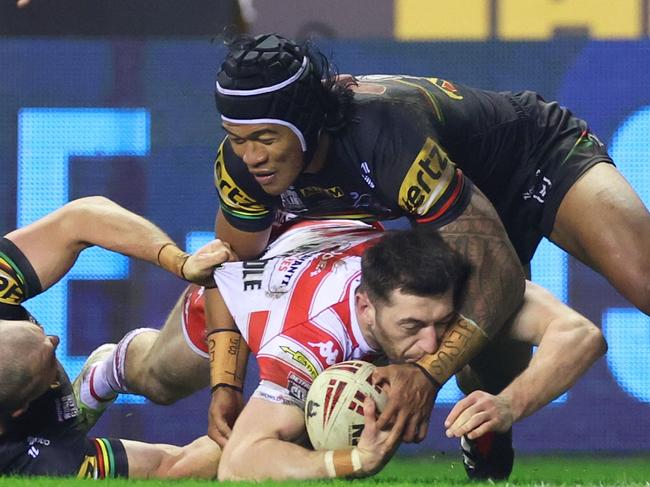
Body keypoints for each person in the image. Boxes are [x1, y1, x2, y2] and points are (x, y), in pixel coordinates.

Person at [203, 31, 649, 467]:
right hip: (459, 216)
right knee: (487, 366)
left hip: (534, 158)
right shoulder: (241, 169)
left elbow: (498, 270)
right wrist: (226, 384)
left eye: (265, 138)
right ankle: (487, 450)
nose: (251, 156)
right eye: (237, 137)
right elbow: (229, 271)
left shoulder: (383, 133)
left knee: (644, 279)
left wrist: (426, 374)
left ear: (304, 127)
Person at [85, 220, 606, 480]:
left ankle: (485, 430)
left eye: (439, 323)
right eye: (411, 326)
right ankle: (104, 370)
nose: (429, 347)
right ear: (365, 308)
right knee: (157, 379)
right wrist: (351, 461)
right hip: (248, 299)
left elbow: (580, 334)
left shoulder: (451, 282)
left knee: (485, 339)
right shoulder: (311, 340)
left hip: (322, 244)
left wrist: (509, 403)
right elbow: (239, 465)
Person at [0, 195, 232, 477]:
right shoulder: (42, 466)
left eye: (35, 330)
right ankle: (82, 403)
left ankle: (106, 374)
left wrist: (181, 262)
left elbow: (82, 218)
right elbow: (170, 466)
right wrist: (266, 428)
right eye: (47, 359)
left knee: (160, 379)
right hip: (47, 437)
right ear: (20, 409)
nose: (54, 340)